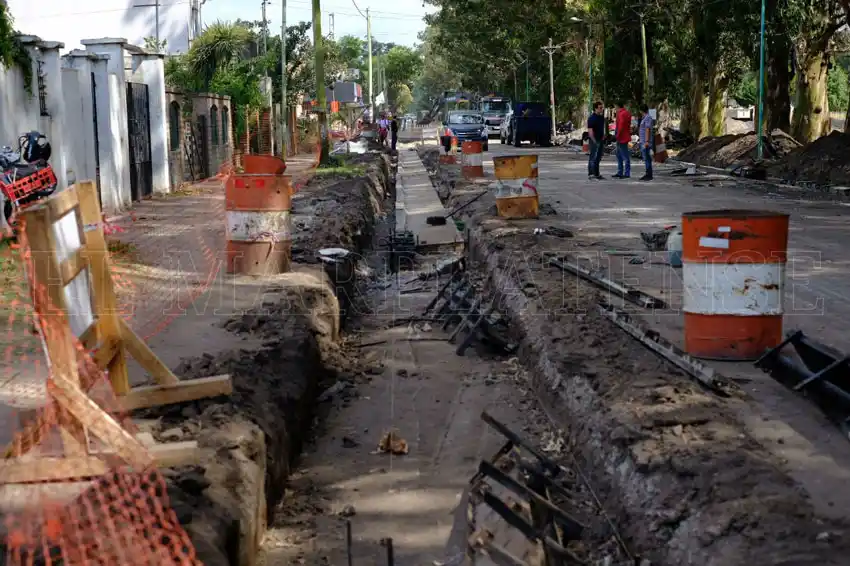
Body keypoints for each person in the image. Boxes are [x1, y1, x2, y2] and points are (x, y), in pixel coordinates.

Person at [587, 101, 605, 180]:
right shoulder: (591, 118)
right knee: (593, 157)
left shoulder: (601, 118)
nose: (601, 109)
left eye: (602, 108)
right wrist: (594, 141)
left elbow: (602, 128)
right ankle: (591, 174)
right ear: (595, 108)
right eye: (600, 108)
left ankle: (597, 173)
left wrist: (603, 136)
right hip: (594, 140)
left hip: (601, 140)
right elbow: (590, 131)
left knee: (598, 157)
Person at [613, 101, 632, 179]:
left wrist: (617, 135)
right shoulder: (627, 113)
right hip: (625, 136)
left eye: (615, 107)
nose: (615, 109)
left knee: (624, 155)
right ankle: (620, 172)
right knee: (619, 154)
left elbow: (620, 126)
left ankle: (625, 173)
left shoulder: (620, 114)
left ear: (617, 106)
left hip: (621, 137)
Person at [638, 104, 654, 181]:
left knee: (647, 158)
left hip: (645, 142)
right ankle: (648, 173)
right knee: (646, 158)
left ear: (641, 110)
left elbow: (647, 129)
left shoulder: (647, 118)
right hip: (643, 141)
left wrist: (646, 141)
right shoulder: (645, 118)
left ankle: (649, 174)